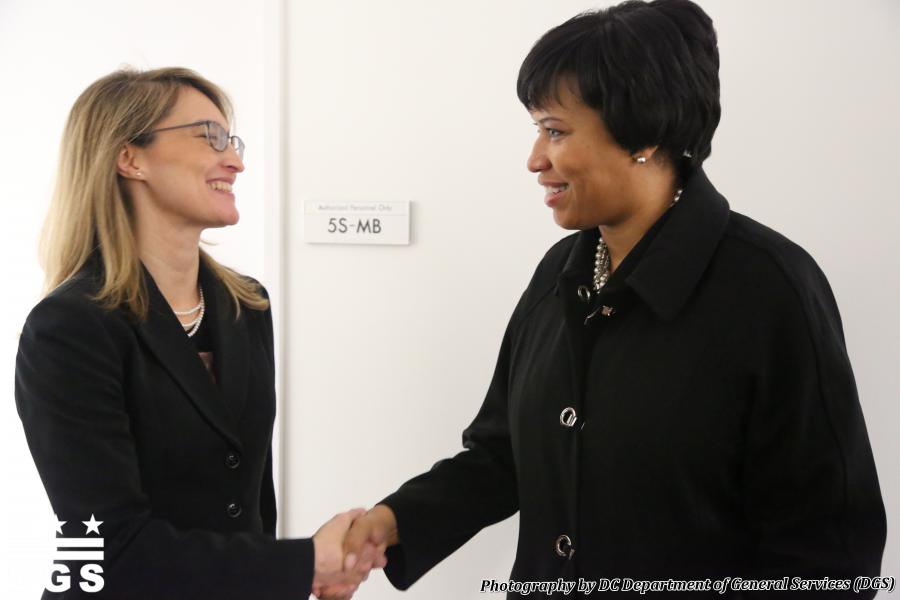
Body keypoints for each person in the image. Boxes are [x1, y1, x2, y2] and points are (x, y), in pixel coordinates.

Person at [334, 1, 887, 598]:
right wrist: (394, 522)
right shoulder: (559, 275)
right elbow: (504, 456)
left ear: (644, 133)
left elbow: (830, 548)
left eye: (555, 130)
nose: (534, 159)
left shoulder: (770, 287)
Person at [15, 67, 383, 599]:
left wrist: (295, 572)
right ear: (130, 157)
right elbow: (106, 548)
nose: (235, 160)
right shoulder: (68, 328)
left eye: (232, 140)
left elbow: (251, 505)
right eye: (209, 137)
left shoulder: (246, 306)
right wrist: (302, 563)